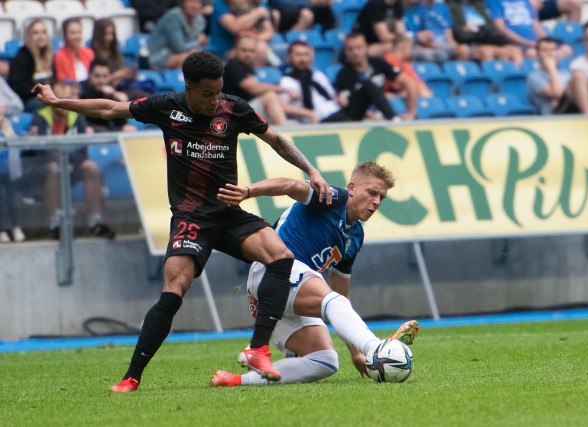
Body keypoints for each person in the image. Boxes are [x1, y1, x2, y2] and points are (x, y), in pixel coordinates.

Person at [32, 50, 332, 393]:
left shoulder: (234, 108)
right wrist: (59, 101)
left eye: (218, 91)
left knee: (280, 257)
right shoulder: (167, 107)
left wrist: (311, 170)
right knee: (174, 292)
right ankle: (132, 376)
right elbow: (109, 108)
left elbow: (276, 140)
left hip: (227, 211)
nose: (214, 100)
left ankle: (258, 349)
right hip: (190, 217)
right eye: (207, 93)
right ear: (188, 87)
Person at [211, 162, 419, 386]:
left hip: (287, 295)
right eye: (372, 193)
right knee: (331, 299)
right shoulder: (333, 198)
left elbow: (341, 296)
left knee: (325, 360)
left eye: (381, 197)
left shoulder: (355, 237)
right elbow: (290, 185)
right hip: (272, 271)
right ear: (352, 188)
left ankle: (234, 381)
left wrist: (355, 352)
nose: (376, 202)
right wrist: (248, 192)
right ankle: (376, 348)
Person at [26, 80, 116, 240]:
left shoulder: (76, 117)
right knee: (53, 167)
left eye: (68, 99)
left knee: (91, 166)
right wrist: (63, 154)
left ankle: (95, 222)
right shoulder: (40, 117)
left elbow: (82, 151)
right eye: (61, 99)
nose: (64, 104)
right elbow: (39, 151)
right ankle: (55, 224)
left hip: (71, 165)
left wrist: (62, 154)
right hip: (42, 171)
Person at [334, 31, 418, 122]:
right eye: (350, 49)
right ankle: (394, 119)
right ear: (345, 51)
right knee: (368, 85)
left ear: (366, 47)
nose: (355, 52)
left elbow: (409, 82)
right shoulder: (343, 75)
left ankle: (394, 119)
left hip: (384, 111)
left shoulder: (378, 63)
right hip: (361, 118)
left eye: (359, 47)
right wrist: (373, 117)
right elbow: (348, 104)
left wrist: (411, 113)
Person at [222, 34, 297, 125]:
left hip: (245, 110)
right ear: (236, 50)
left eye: (251, 51)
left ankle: (282, 125)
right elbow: (254, 88)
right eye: (244, 50)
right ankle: (284, 129)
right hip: (233, 114)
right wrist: (285, 90)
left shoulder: (248, 67)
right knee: (269, 96)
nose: (248, 54)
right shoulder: (233, 66)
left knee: (294, 122)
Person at [446, 0, 522, 62]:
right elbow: (461, 34)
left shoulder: (479, 5)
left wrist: (475, 28)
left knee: (515, 50)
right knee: (487, 52)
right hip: (472, 43)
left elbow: (492, 27)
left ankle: (518, 78)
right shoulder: (450, 6)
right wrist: (482, 30)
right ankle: (493, 79)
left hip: (489, 40)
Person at [209, 0, 278, 65]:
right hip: (225, 50)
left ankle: (257, 75)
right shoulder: (221, 3)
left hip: (254, 43)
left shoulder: (258, 3)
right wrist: (258, 13)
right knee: (245, 50)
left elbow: (269, 33)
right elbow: (234, 27)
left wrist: (252, 39)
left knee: (261, 48)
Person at [8, 19, 54, 112]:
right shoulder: (21, 58)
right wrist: (42, 92)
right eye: (36, 33)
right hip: (28, 100)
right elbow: (20, 88)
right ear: (29, 36)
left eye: (43, 32)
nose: (41, 36)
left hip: (48, 96)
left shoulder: (50, 56)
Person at [80, 59, 138, 133]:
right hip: (91, 130)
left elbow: (121, 123)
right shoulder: (81, 90)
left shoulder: (111, 92)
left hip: (108, 130)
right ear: (89, 75)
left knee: (129, 129)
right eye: (97, 76)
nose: (101, 80)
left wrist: (114, 95)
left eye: (105, 76)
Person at [403, 0, 470, 63]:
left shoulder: (441, 6)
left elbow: (449, 36)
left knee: (463, 50)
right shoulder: (419, 9)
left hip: (438, 45)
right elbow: (424, 39)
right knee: (440, 56)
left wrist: (453, 45)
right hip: (422, 46)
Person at [147, 0, 208, 70]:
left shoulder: (200, 20)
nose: (194, 6)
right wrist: (197, 42)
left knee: (201, 58)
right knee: (190, 59)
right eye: (191, 1)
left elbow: (192, 46)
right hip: (159, 56)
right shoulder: (173, 17)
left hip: (182, 54)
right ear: (183, 3)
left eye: (198, 2)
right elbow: (179, 47)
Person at [0, 103, 26, 243]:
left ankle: (16, 227)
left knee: (11, 200)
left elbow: (16, 147)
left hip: (8, 172)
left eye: (2, 115)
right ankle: (1, 230)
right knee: (1, 200)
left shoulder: (7, 128)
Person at [526, 37, 571, 115]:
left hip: (572, 113)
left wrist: (558, 98)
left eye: (553, 50)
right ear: (538, 54)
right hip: (550, 118)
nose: (549, 53)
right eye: (545, 50)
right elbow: (557, 92)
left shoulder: (566, 74)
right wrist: (552, 68)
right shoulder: (533, 77)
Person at [89, 18, 137, 90]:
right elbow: (93, 81)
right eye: (106, 34)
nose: (110, 38)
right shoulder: (91, 54)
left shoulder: (115, 52)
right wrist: (115, 76)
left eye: (112, 34)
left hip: (121, 87)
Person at [384, 34, 433, 98]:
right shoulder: (387, 60)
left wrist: (423, 89)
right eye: (410, 47)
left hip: (405, 92)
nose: (411, 50)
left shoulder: (405, 63)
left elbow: (416, 80)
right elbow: (393, 84)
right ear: (403, 46)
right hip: (391, 94)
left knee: (425, 93)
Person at [54, 18, 95, 83]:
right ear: (65, 35)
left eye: (79, 32)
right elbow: (62, 81)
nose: (77, 36)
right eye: (73, 33)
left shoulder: (89, 52)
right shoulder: (59, 56)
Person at [269, 0, 336, 34]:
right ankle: (291, 41)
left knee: (327, 11)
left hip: (309, 10)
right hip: (284, 14)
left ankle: (327, 40)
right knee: (307, 15)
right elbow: (278, 2)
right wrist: (311, 2)